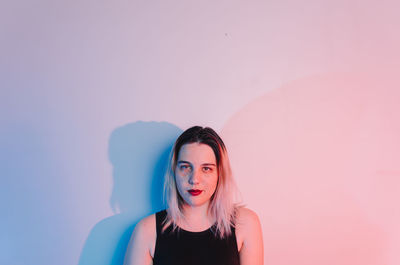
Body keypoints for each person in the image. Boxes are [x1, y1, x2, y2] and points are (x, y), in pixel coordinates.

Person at [124, 126, 263, 265]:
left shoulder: (245, 224)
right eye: (185, 167)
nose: (194, 179)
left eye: (206, 169)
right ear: (174, 171)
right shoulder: (146, 231)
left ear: (220, 173)